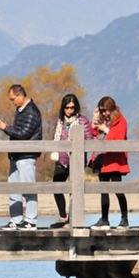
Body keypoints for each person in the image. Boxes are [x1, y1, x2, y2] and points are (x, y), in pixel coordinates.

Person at [0, 84, 43, 230]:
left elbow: (24, 134)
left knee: (28, 188)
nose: (12, 102)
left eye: (13, 99)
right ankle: (16, 220)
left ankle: (30, 221)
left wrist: (6, 128)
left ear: (20, 96)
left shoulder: (32, 111)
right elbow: (19, 130)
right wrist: (9, 128)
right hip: (16, 155)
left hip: (26, 155)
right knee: (13, 188)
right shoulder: (21, 110)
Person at [49, 94, 92, 228]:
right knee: (56, 187)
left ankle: (73, 219)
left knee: (74, 190)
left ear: (76, 107)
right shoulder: (60, 121)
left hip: (76, 160)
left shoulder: (82, 121)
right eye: (67, 107)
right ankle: (63, 217)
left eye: (72, 107)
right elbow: (56, 138)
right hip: (61, 159)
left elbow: (89, 140)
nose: (69, 110)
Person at [89, 96, 130, 230]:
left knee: (118, 190)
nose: (104, 113)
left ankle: (124, 219)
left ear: (111, 109)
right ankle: (104, 219)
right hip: (102, 159)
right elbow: (93, 131)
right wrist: (95, 118)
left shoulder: (121, 120)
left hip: (115, 160)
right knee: (103, 191)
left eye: (105, 110)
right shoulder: (102, 120)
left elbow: (118, 139)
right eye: (101, 110)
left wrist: (106, 130)